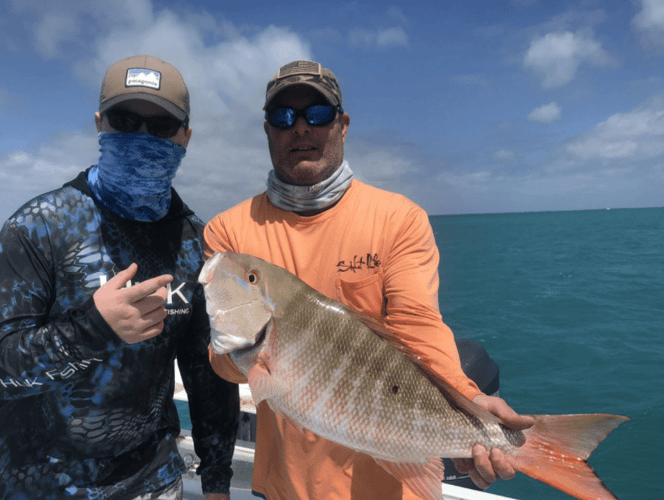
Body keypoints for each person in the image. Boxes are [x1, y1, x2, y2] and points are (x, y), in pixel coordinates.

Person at [203, 60, 535, 499]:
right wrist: (240, 347)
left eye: (317, 114)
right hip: (284, 485)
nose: (300, 128)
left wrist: (467, 399)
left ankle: (540, 449)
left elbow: (419, 328)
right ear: (268, 131)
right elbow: (225, 366)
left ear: (342, 125)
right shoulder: (229, 234)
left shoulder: (398, 219)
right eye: (284, 117)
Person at [0, 55, 238, 500]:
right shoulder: (40, 226)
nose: (141, 136)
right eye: (124, 120)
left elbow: (207, 374)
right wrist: (92, 331)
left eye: (162, 125)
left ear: (186, 136)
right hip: (33, 486)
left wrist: (218, 480)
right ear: (99, 123)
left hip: (153, 481)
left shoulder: (195, 243)